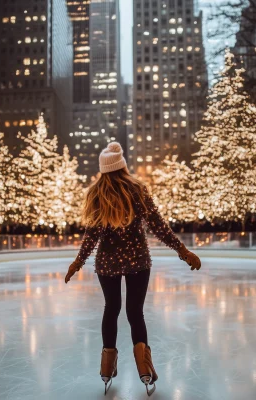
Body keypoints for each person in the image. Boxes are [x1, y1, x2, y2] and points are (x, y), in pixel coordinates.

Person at [65, 142, 201, 396]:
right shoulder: (137, 190)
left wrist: (78, 261)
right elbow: (159, 227)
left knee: (111, 309)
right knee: (135, 312)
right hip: (137, 260)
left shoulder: (96, 194)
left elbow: (91, 236)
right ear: (122, 166)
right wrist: (182, 251)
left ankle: (107, 367)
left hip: (108, 263)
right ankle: (144, 370)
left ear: (103, 169)